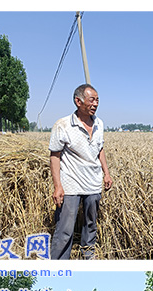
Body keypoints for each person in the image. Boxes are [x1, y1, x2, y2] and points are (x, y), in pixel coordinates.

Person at [49, 83, 112, 260]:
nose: (95, 104)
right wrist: (57, 187)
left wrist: (106, 173)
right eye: (91, 100)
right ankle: (59, 262)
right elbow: (55, 156)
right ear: (78, 101)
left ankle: (88, 255)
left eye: (97, 100)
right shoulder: (63, 125)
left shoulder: (99, 123)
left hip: (93, 183)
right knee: (65, 228)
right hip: (71, 184)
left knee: (91, 224)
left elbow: (100, 149)